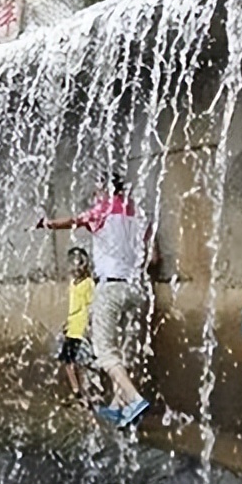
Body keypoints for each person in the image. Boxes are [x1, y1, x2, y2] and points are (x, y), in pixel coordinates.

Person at [37, 173, 158, 428]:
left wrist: (46, 224)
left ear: (104, 189)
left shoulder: (101, 211)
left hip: (110, 288)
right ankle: (117, 407)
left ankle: (134, 399)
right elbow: (153, 258)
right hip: (136, 290)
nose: (94, 194)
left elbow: (72, 221)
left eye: (97, 189)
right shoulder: (139, 213)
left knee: (105, 354)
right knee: (122, 349)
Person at [58, 247, 95, 407]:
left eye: (80, 264)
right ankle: (77, 392)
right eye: (73, 264)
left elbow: (91, 305)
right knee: (68, 362)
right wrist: (67, 321)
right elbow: (74, 305)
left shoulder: (89, 284)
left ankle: (86, 395)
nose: (76, 268)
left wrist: (89, 326)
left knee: (82, 363)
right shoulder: (73, 284)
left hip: (81, 329)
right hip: (72, 328)